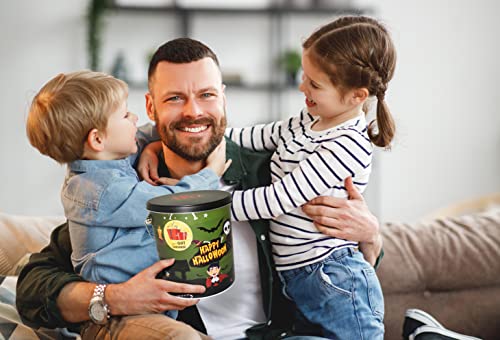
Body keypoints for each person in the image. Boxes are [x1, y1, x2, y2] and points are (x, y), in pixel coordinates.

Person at [16, 37, 383, 340]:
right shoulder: (127, 188)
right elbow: (33, 288)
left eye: (206, 95)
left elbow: (338, 270)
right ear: (151, 107)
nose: (193, 111)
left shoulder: (274, 173)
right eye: (174, 98)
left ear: (223, 99)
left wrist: (371, 238)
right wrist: (116, 297)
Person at [221, 15, 396, 338]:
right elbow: (263, 135)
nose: (302, 86)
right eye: (305, 76)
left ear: (357, 96)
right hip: (299, 278)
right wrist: (213, 134)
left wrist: (213, 207)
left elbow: (279, 199)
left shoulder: (347, 145)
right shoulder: (312, 118)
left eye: (315, 84)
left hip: (331, 276)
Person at [25, 70, 228, 288]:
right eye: (125, 115)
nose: (135, 118)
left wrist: (154, 146)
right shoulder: (101, 190)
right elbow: (169, 204)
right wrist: (210, 175)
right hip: (121, 298)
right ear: (97, 139)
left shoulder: (104, 157)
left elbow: (143, 134)